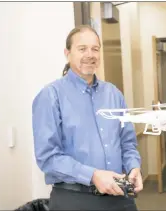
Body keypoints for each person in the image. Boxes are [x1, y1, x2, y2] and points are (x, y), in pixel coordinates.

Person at [32, 25, 143, 210]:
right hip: (74, 199)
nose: (90, 54)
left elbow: (128, 142)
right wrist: (93, 175)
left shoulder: (113, 94)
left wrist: (133, 167)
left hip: (119, 198)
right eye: (82, 49)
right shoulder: (51, 96)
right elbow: (48, 157)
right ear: (67, 53)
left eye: (95, 49)